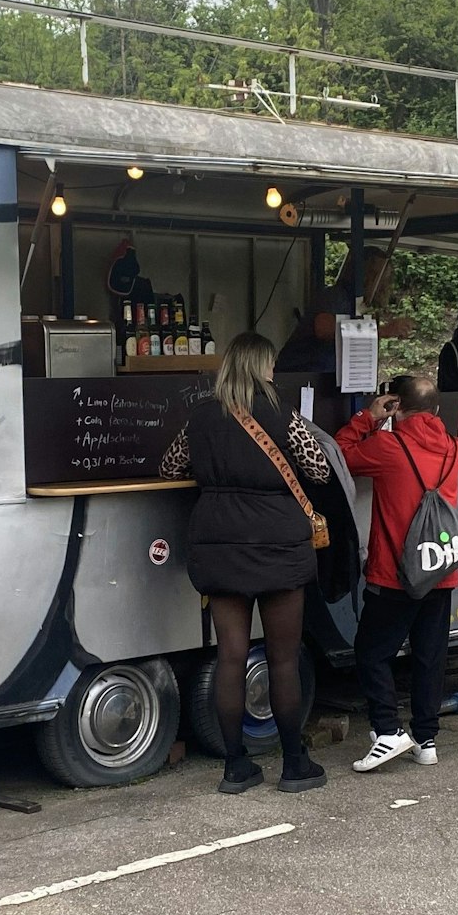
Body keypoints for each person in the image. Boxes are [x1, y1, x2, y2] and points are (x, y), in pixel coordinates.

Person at [159, 332, 332, 794]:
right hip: (278, 544)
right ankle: (294, 765)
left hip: (220, 544)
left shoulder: (200, 417)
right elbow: (318, 469)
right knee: (281, 658)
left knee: (231, 657)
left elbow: (170, 467)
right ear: (262, 367)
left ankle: (235, 767)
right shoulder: (282, 414)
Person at [336, 375, 458, 772]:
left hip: (395, 573)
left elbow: (338, 455)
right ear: (437, 410)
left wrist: (368, 417)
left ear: (397, 406)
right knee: (430, 655)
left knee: (372, 652)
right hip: (440, 567)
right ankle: (426, 739)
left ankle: (387, 730)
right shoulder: (454, 447)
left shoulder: (389, 447)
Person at [275, 247, 414, 374]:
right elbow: (323, 328)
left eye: (386, 278)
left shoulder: (358, 304)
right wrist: (382, 331)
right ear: (364, 274)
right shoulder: (337, 297)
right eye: (377, 276)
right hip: (299, 376)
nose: (383, 284)